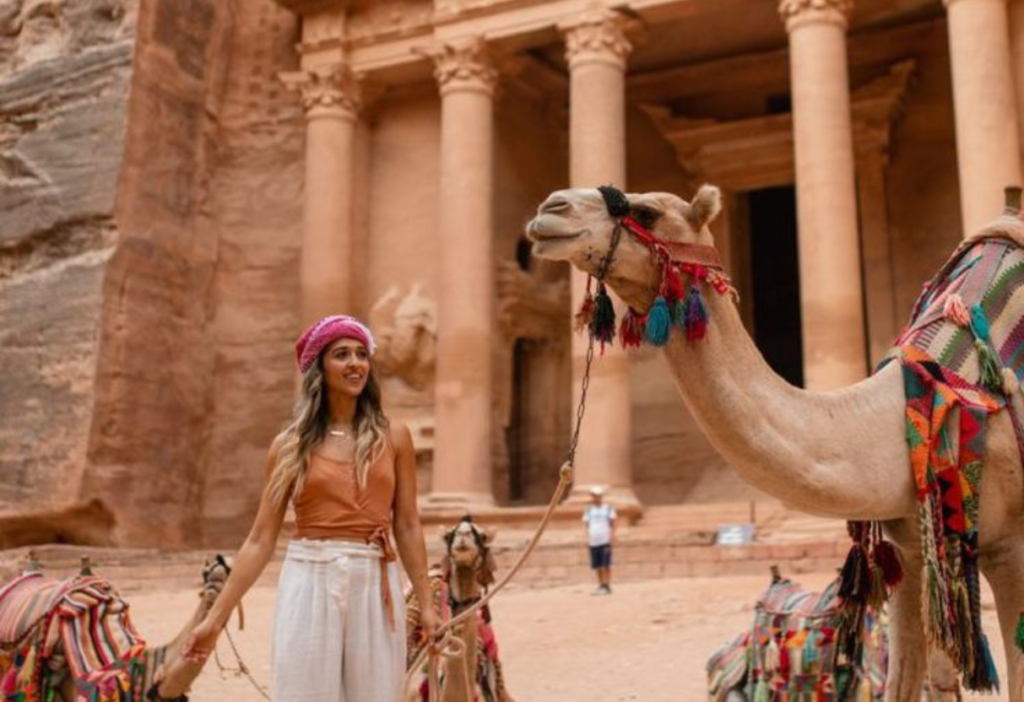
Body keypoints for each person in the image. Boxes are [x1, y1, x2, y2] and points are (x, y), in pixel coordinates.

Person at [182, 314, 439, 702]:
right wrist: (215, 620)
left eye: (361, 354)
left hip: (375, 576)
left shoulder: (394, 436)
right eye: (341, 354)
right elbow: (260, 540)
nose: (355, 363)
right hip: (310, 575)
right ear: (319, 366)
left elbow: (406, 525)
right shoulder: (289, 446)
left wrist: (427, 604)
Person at [582, 486, 616, 595]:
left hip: (605, 540)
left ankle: (607, 585)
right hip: (594, 540)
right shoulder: (588, 510)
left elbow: (613, 523)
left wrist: (611, 537)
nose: (596, 498)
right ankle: (601, 584)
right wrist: (587, 538)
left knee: (606, 564)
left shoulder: (608, 508)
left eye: (598, 496)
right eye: (594, 496)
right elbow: (586, 525)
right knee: (597, 565)